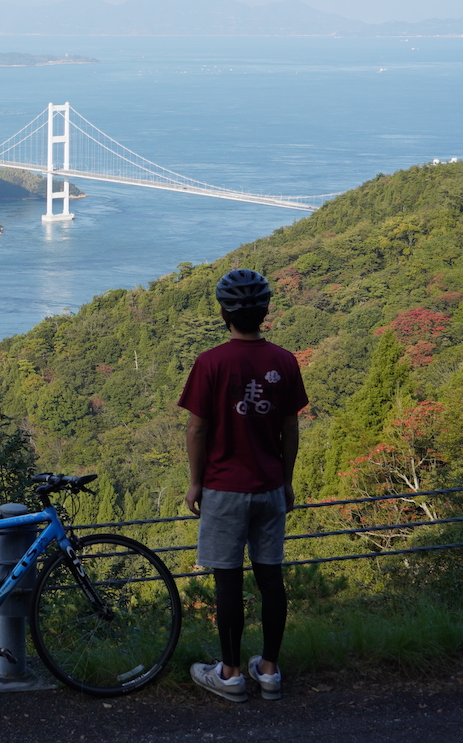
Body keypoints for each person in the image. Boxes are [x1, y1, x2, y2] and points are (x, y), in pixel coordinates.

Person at [179, 269, 307, 702]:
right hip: (270, 486)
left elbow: (197, 430)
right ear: (265, 312)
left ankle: (230, 674)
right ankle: (268, 670)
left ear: (223, 313)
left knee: (228, 582)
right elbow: (290, 428)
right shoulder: (285, 360)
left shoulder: (211, 362)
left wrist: (195, 483)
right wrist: (286, 481)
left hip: (224, 488)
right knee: (271, 579)